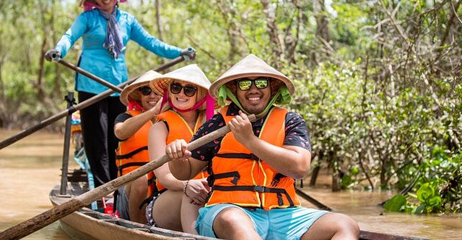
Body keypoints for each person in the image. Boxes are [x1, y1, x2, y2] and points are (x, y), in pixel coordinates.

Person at [165, 54, 360, 240]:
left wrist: (250, 141)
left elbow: (299, 167)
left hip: (284, 214)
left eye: (260, 83)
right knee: (234, 221)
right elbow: (185, 172)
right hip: (228, 210)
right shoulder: (218, 124)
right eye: (244, 84)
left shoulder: (291, 121)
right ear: (233, 89)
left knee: (345, 224)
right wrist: (177, 158)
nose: (253, 89)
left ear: (273, 88)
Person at [44, 0, 195, 187]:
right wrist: (59, 50)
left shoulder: (127, 20)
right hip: (90, 84)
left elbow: (152, 42)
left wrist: (179, 52)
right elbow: (70, 36)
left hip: (117, 86)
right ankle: (103, 189)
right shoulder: (87, 18)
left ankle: (119, 187)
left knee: (116, 139)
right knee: (97, 141)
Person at [146, 64, 215, 234]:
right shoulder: (160, 127)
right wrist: (187, 185)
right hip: (168, 198)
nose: (181, 94)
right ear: (169, 92)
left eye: (189, 90)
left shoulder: (213, 123)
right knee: (191, 195)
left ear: (199, 94)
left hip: (210, 193)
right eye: (176, 87)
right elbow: (163, 176)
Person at [113, 70, 162, 223]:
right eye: (147, 91)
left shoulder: (171, 120)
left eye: (157, 92)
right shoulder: (125, 117)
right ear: (139, 96)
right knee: (141, 178)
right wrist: (153, 112)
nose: (152, 96)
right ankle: (138, 229)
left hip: (161, 190)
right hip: (129, 192)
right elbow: (120, 132)